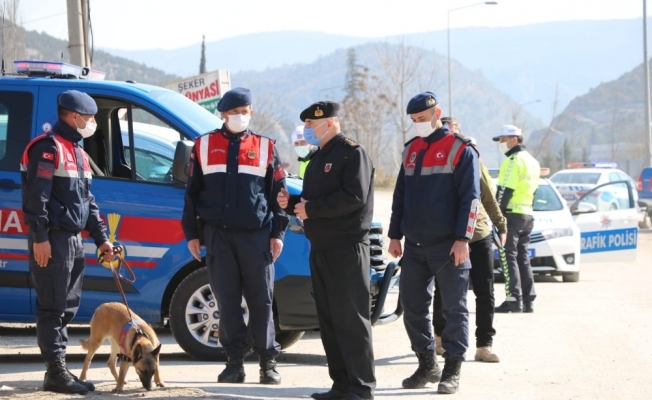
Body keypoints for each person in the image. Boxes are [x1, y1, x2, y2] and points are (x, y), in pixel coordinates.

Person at [182, 87, 289, 385]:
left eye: (243, 112)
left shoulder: (266, 147)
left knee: (262, 300)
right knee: (227, 301)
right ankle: (234, 363)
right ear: (223, 115)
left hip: (257, 236)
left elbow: (279, 194)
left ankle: (268, 363)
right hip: (218, 236)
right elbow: (191, 194)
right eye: (232, 113)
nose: (239, 117)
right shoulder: (203, 146)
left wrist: (278, 232)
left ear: (251, 112)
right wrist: (192, 233)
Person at [277, 101, 376, 400]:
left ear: (329, 123)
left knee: (351, 319)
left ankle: (361, 387)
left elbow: (354, 197)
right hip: (321, 248)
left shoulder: (351, 152)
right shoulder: (318, 158)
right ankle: (341, 384)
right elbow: (313, 203)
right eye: (306, 124)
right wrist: (292, 205)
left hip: (346, 249)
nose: (307, 129)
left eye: (311, 124)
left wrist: (312, 209)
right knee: (330, 320)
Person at [20, 90, 114, 395]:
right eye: (90, 117)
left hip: (73, 241)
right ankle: (55, 372)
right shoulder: (47, 149)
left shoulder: (77, 151)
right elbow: (37, 198)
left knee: (66, 307)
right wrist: (40, 238)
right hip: (53, 240)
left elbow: (88, 202)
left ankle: (59, 370)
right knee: (52, 308)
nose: (93, 123)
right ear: (75, 117)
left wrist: (102, 240)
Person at [388, 92, 480, 395]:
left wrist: (462, 239)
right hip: (414, 246)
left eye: (423, 119)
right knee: (413, 307)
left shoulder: (460, 150)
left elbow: (471, 199)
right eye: (414, 121)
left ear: (437, 113)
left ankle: (452, 368)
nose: (418, 125)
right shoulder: (410, 150)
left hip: (448, 245)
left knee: (455, 308)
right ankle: (427, 363)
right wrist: (394, 235)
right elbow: (400, 195)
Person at [432, 116, 508, 363]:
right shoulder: (436, 164)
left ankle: (484, 345)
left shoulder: (472, 157)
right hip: (448, 237)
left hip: (478, 235)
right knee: (444, 291)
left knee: (485, 292)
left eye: (453, 132)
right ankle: (440, 338)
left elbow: (487, 196)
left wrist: (501, 224)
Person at [492, 125, 540, 313]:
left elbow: (505, 190)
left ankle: (513, 298)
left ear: (514, 139)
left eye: (502, 140)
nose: (501, 144)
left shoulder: (513, 161)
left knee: (508, 256)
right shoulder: (533, 161)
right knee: (523, 257)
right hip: (527, 213)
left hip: (511, 213)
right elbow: (534, 190)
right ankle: (529, 300)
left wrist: (497, 216)